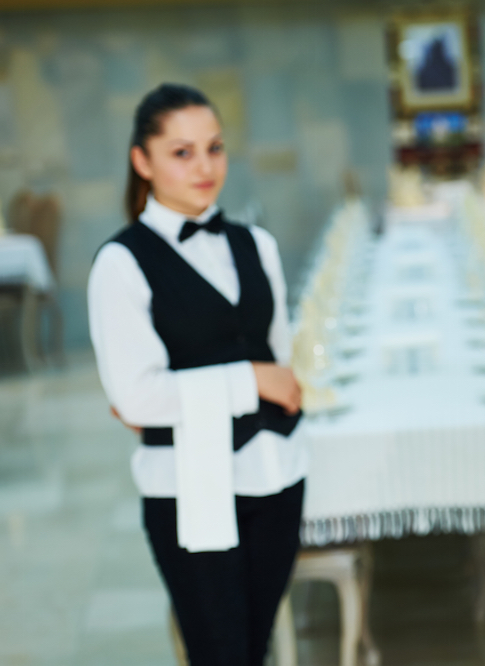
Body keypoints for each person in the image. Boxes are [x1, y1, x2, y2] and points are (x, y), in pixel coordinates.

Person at [88, 83, 307, 666]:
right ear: (143, 160)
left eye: (214, 147)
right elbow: (137, 398)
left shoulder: (255, 244)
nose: (205, 166)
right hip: (189, 489)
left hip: (277, 477)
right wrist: (250, 381)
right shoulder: (121, 263)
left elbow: (280, 359)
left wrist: (262, 379)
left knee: (254, 648)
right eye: (182, 152)